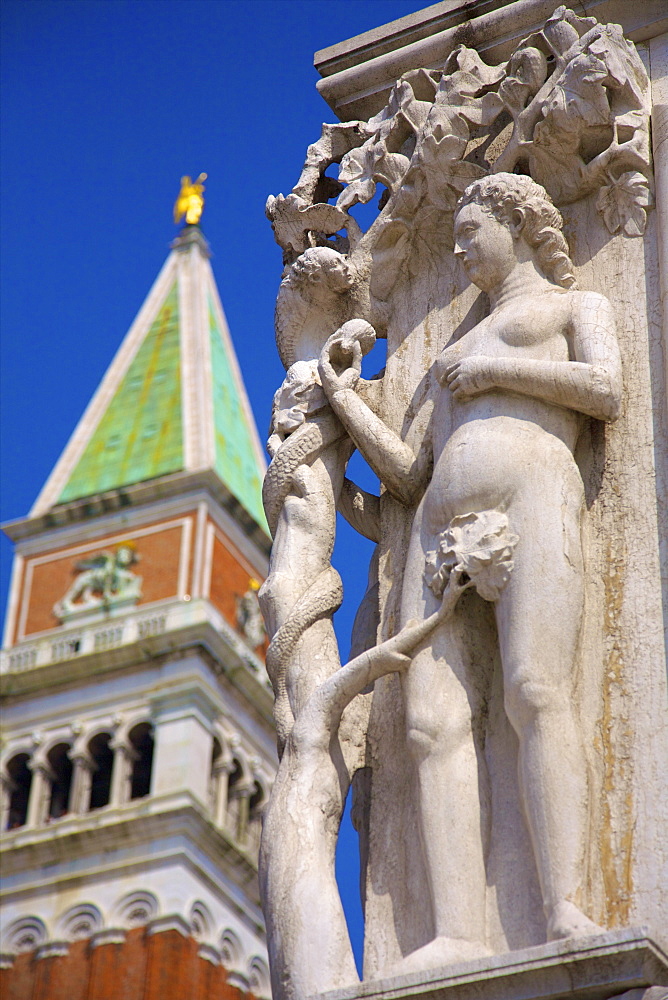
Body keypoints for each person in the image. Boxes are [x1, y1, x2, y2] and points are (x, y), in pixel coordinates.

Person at [318, 172, 622, 970]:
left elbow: (605, 389)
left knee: (535, 690)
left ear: (517, 221)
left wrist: (498, 375)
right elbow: (413, 473)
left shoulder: (569, 306)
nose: (457, 245)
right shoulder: (452, 351)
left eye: (471, 226)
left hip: (536, 491)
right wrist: (343, 405)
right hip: (436, 527)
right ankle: (456, 931)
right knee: (429, 723)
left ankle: (565, 909)